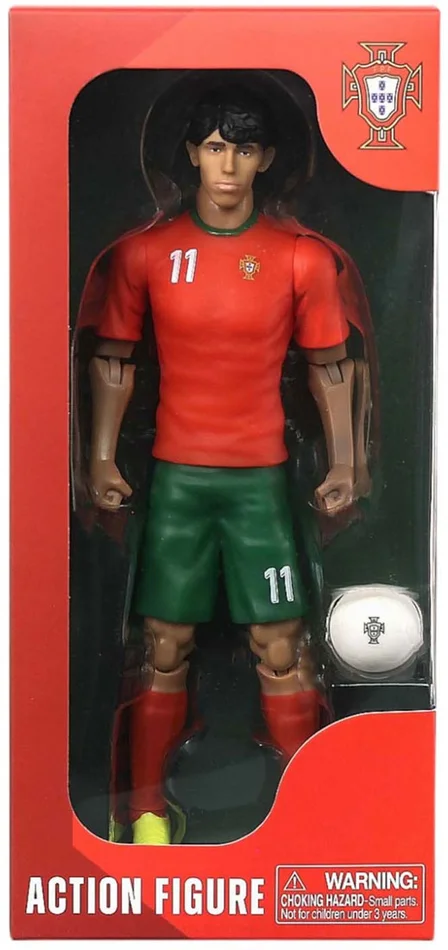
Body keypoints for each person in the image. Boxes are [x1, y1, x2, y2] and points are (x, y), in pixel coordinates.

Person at [88, 85, 359, 845]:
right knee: (161, 648)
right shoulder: (146, 254)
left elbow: (331, 366)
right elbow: (113, 360)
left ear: (265, 158)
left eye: (242, 150)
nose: (228, 166)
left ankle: (311, 813)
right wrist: (101, 455)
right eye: (214, 148)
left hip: (260, 487)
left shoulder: (301, 258)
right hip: (177, 482)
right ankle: (146, 814)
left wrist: (344, 461)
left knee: (282, 649)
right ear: (192, 154)